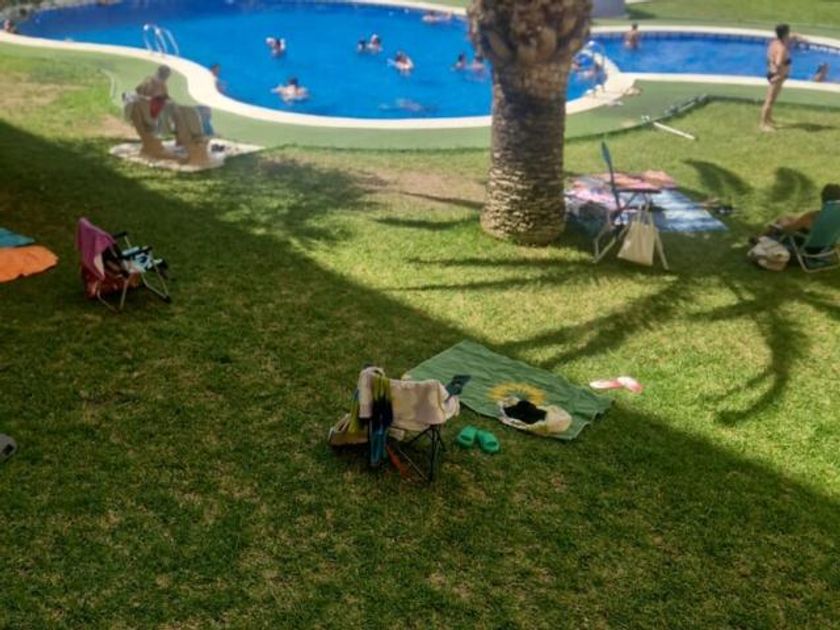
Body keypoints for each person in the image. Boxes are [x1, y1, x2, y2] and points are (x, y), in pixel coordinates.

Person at [761, 24, 805, 131]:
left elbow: (769, 57)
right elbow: (778, 63)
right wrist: (780, 73)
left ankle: (769, 119)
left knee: (772, 99)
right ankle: (763, 124)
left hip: (774, 74)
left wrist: (801, 38)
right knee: (769, 100)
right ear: (785, 34)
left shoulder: (775, 42)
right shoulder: (782, 48)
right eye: (788, 32)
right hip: (777, 76)